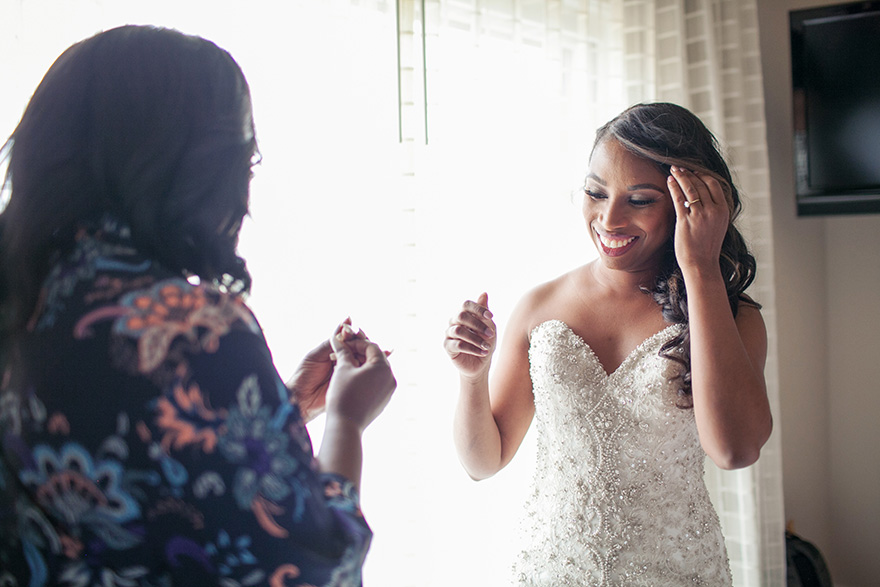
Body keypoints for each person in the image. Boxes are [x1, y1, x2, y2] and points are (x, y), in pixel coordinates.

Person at [0, 25, 396, 586]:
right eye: (245, 160)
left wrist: (273, 414)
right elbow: (312, 571)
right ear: (195, 167)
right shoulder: (190, 331)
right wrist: (347, 420)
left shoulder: (26, 299)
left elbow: (132, 455)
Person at [444, 102, 772, 585]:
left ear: (689, 204)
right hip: (554, 571)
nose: (609, 218)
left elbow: (734, 450)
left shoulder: (731, 318)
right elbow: (482, 463)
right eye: (596, 192)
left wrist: (700, 268)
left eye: (639, 200)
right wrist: (472, 378)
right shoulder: (540, 307)